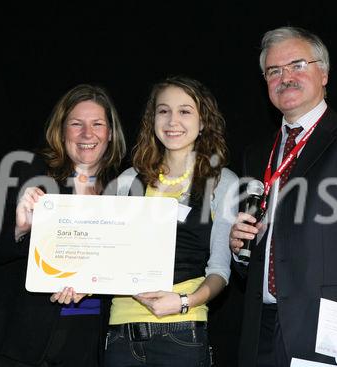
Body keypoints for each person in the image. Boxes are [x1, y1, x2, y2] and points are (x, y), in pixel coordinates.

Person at [229, 26, 337, 367]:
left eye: (297, 65)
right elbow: (266, 249)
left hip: (333, 335)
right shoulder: (257, 153)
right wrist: (241, 252)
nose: (285, 77)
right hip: (260, 332)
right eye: (274, 71)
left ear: (323, 73)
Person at [0, 83, 126, 367]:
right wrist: (20, 229)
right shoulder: (26, 170)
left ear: (110, 134)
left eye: (97, 124)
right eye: (76, 124)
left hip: (81, 346)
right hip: (12, 344)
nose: (87, 134)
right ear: (61, 131)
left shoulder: (121, 193)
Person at [101, 75, 238, 366]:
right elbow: (105, 257)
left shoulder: (222, 183)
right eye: (164, 111)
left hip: (181, 332)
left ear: (203, 123)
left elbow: (220, 271)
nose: (172, 120)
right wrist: (75, 279)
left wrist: (184, 302)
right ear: (153, 120)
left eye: (185, 111)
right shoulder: (127, 181)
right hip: (121, 335)